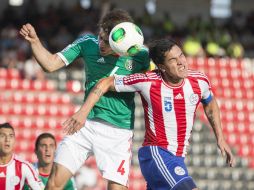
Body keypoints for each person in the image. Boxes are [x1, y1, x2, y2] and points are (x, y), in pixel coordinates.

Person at [63, 38, 235, 190]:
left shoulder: (199, 80)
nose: (181, 62)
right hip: (156, 154)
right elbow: (106, 82)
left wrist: (220, 137)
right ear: (161, 66)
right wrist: (83, 112)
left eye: (181, 55)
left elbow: (210, 103)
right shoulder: (148, 81)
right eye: (173, 60)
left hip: (178, 158)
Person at [20, 9, 150, 190]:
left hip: (118, 132)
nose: (101, 43)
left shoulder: (140, 55)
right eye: (101, 37)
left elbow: (151, 82)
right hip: (86, 124)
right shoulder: (87, 43)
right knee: (54, 183)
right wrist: (35, 42)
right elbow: (50, 64)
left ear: (122, 42)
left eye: (107, 41)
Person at [0, 122, 44, 190]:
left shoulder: (24, 166)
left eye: (11, 136)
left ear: (14, 140)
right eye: (2, 136)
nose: (7, 140)